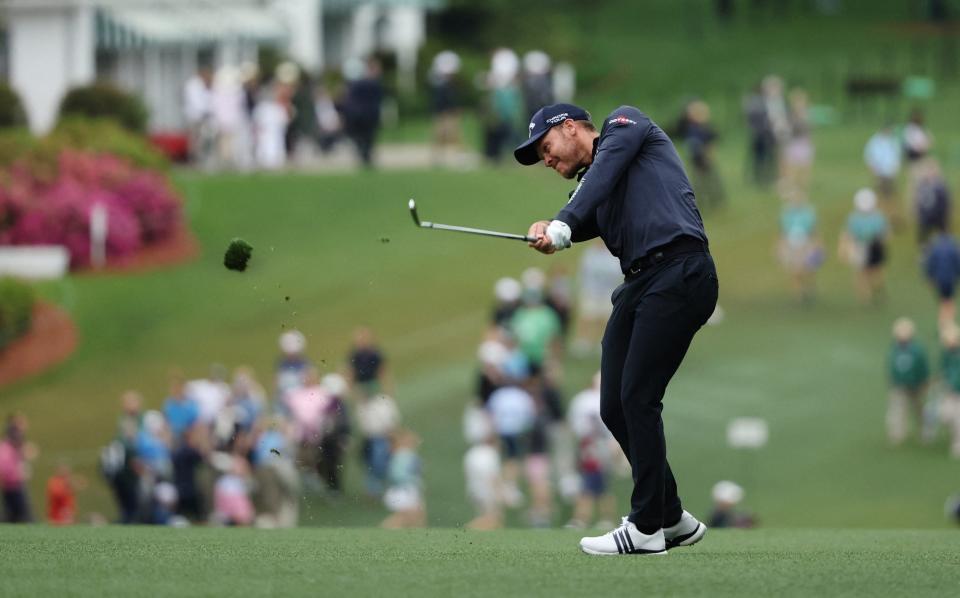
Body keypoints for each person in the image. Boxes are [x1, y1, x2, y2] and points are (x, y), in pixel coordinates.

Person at [514, 102, 717, 555]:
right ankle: (670, 515)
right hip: (641, 284)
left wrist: (564, 220)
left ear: (570, 128)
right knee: (614, 405)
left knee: (639, 396)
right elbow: (583, 210)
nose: (546, 160)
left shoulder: (625, 126)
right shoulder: (593, 186)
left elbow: (597, 183)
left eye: (545, 148)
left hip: (681, 270)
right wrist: (549, 227)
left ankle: (646, 528)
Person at [573, 240, 623, 356]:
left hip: (608, 292)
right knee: (587, 316)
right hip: (591, 290)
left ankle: (600, 342)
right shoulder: (590, 253)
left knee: (604, 319)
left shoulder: (613, 255)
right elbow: (584, 271)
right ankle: (583, 342)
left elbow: (617, 272)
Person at [839, 188, 888, 305]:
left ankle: (875, 288)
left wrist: (878, 240)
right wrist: (845, 249)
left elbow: (884, 234)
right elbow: (848, 234)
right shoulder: (854, 218)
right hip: (860, 247)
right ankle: (865, 297)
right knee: (861, 272)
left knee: (876, 271)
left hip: (875, 247)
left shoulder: (878, 217)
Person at [887, 318, 930, 445]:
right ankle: (897, 433)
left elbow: (923, 367)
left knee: (919, 409)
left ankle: (925, 430)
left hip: (916, 385)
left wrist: (923, 382)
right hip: (899, 385)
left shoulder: (917, 350)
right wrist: (892, 380)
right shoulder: (894, 349)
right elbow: (892, 366)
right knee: (897, 409)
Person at [779, 191, 823, 304]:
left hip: (807, 242)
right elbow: (783, 232)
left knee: (808, 268)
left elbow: (814, 230)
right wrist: (781, 246)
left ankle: (808, 288)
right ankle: (798, 295)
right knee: (795, 270)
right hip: (792, 244)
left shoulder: (808, 213)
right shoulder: (787, 214)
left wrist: (818, 245)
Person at [864, 124, 903, 227]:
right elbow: (869, 156)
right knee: (879, 196)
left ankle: (892, 218)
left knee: (891, 196)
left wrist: (895, 169)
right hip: (879, 173)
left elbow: (897, 156)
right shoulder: (875, 141)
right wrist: (873, 170)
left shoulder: (893, 141)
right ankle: (877, 219)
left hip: (890, 173)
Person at [0, 413, 36, 523]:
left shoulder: (11, 444)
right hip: (12, 484)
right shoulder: (8, 445)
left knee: (13, 514)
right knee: (22, 514)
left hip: (14, 483)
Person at [924, 230, 960, 328]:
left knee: (943, 300)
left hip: (939, 279)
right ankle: (949, 321)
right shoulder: (954, 249)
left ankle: (942, 321)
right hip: (950, 279)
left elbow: (929, 265)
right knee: (949, 300)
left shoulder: (934, 249)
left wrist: (929, 278)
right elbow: (958, 264)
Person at [914, 159, 951, 245]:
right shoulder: (922, 185)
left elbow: (946, 200)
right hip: (926, 215)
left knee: (944, 234)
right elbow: (919, 200)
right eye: (928, 170)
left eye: (932, 170)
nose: (930, 173)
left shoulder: (941, 184)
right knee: (924, 234)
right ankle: (924, 249)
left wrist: (945, 212)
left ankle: (945, 248)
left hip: (939, 214)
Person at [938, 324, 960, 458]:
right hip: (949, 391)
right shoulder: (946, 354)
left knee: (958, 419)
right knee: (945, 416)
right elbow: (945, 369)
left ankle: (957, 443)